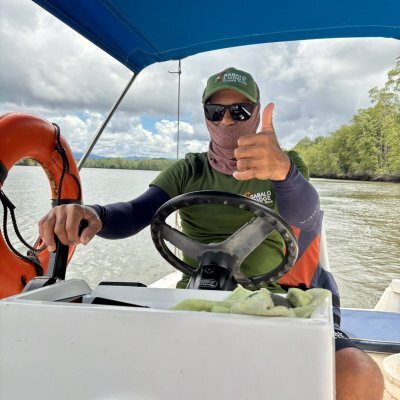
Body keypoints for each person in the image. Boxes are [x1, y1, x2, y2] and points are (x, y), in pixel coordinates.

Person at [39, 67, 384, 399]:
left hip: (271, 299)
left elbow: (305, 216)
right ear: (205, 116)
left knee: (358, 372)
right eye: (215, 112)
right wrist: (94, 214)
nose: (227, 121)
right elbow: (134, 214)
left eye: (239, 110)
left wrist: (285, 173)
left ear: (256, 113)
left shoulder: (284, 163)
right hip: (194, 297)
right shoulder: (188, 170)